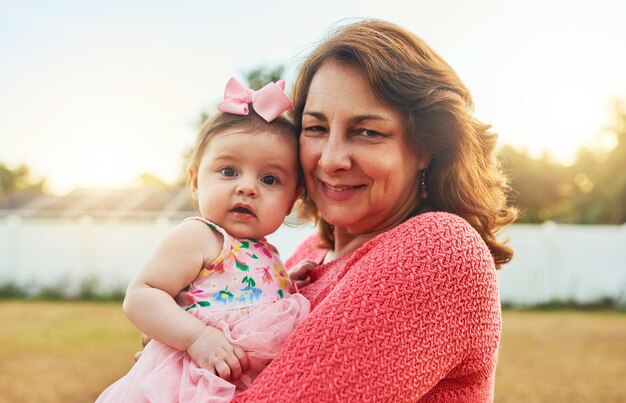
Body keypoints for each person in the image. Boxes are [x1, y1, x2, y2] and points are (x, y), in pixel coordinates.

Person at [139, 19, 517, 402]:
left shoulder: (436, 250)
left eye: (367, 132)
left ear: (425, 148)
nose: (331, 159)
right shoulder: (309, 254)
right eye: (316, 129)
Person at [97, 77, 310, 402]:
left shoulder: (266, 250)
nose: (247, 187)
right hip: (193, 379)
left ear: (293, 198)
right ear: (195, 181)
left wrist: (287, 283)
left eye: (269, 179)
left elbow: (246, 294)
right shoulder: (200, 236)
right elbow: (141, 295)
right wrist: (196, 337)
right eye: (228, 171)